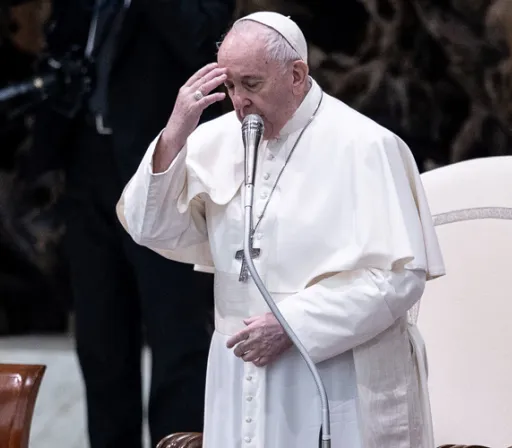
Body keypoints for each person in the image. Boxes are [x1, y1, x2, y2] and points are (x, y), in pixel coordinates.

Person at [117, 11, 445, 448]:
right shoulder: (212, 141)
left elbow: (401, 275)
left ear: (296, 75)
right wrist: (175, 135)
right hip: (238, 374)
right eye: (230, 86)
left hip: (335, 372)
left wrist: (293, 325)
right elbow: (146, 226)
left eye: (252, 84)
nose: (239, 102)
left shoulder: (364, 145)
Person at [23, 1, 235, 447]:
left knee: (177, 337)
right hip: (87, 172)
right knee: (101, 343)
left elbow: (205, 42)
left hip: (166, 174)